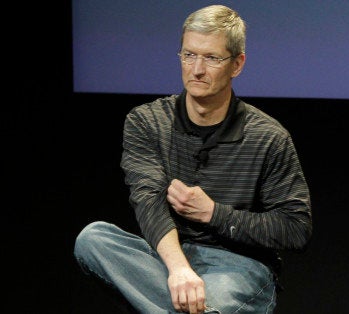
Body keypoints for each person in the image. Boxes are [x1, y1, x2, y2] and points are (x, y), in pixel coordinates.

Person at [74, 5, 312, 314]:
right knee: (93, 239)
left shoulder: (268, 137)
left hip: (238, 266)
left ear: (237, 64)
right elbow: (147, 202)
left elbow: (296, 228)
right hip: (166, 258)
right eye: (189, 55)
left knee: (209, 302)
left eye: (211, 58)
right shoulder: (147, 122)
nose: (196, 69)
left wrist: (214, 213)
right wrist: (179, 270)